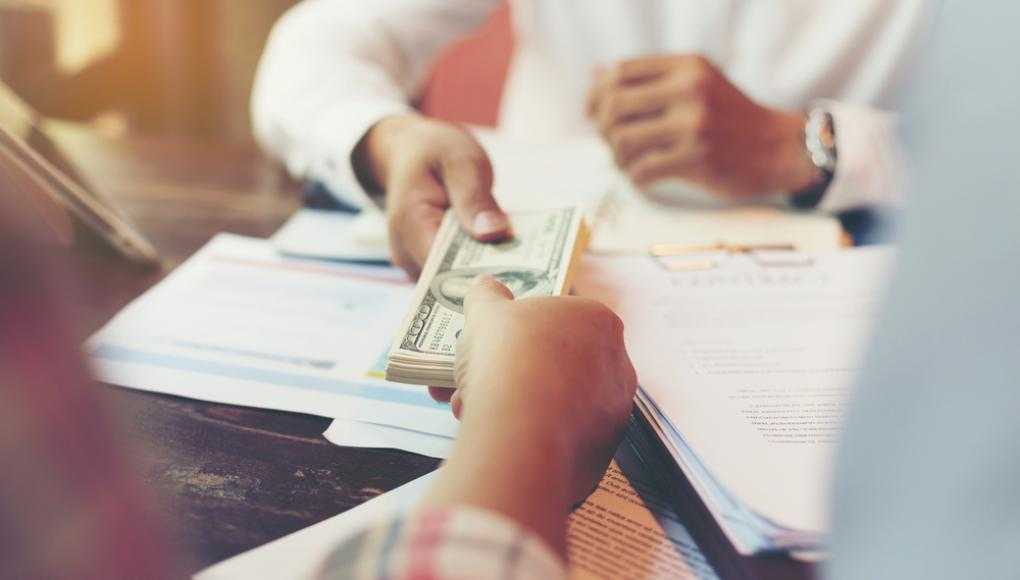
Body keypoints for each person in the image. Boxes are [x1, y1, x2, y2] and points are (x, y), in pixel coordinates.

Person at [252, 1, 929, 276]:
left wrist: (817, 148)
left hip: (858, 309)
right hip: (542, 296)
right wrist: (384, 139)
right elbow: (317, 44)